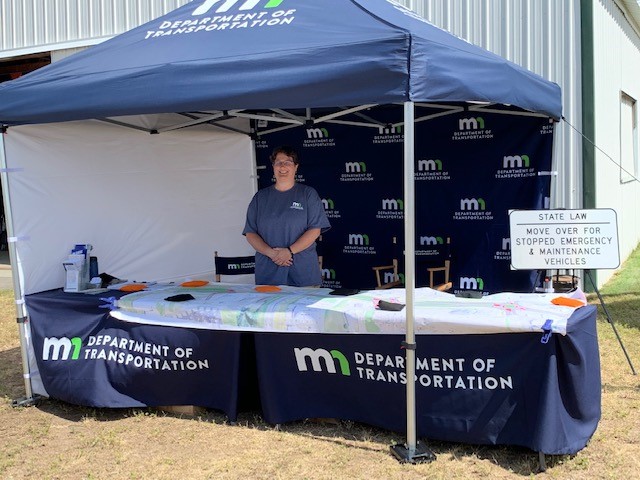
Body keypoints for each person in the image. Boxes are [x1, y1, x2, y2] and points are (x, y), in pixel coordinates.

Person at [243, 145, 330, 287]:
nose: (282, 166)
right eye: (278, 162)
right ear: (273, 167)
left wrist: (289, 251)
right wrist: (272, 254)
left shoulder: (308, 194)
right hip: (268, 273)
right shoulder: (260, 197)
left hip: (302, 273)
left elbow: (315, 230)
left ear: (296, 167)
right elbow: (250, 233)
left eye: (288, 162)